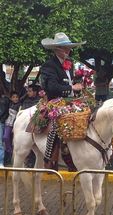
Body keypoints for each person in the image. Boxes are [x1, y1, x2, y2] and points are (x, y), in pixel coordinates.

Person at [40, 32, 84, 169]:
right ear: (56, 49)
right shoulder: (49, 66)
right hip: (55, 101)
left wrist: (80, 84)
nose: (68, 51)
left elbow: (70, 83)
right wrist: (72, 87)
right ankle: (49, 158)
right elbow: (52, 87)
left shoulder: (69, 64)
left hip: (71, 101)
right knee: (56, 123)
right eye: (65, 48)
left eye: (69, 48)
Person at [3, 92, 20, 165]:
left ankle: (11, 157)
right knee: (6, 138)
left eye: (16, 97)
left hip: (15, 125)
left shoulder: (20, 105)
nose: (15, 98)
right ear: (11, 98)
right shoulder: (8, 104)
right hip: (7, 124)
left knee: (13, 140)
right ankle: (9, 152)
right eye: (13, 97)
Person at [0, 89, 9, 167]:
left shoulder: (3, 100)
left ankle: (1, 162)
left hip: (0, 123)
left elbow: (2, 112)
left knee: (0, 143)